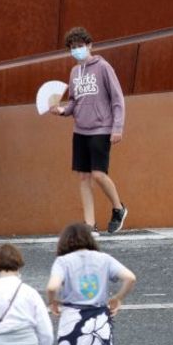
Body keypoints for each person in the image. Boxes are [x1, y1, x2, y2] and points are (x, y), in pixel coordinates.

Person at [51, 27, 128, 235]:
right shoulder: (74, 72)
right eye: (73, 48)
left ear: (90, 45)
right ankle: (90, 224)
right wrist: (62, 110)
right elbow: (75, 101)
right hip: (80, 130)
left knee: (98, 174)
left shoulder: (103, 67)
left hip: (101, 128)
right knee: (84, 177)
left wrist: (117, 127)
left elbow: (117, 98)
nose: (77, 50)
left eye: (80, 46)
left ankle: (119, 208)